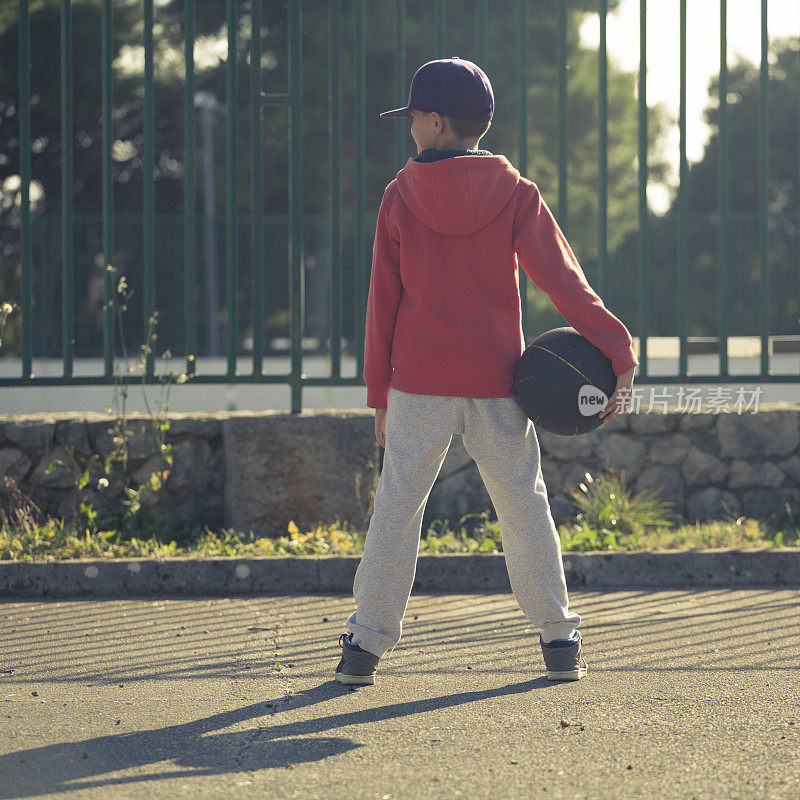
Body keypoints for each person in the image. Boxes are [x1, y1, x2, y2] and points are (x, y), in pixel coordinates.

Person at [335, 57, 638, 686]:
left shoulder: (399, 195)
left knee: (397, 506)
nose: (410, 129)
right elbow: (564, 283)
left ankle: (363, 648)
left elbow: (381, 305)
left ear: (437, 122)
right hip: (500, 384)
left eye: (414, 118)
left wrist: (379, 394)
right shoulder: (518, 195)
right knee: (523, 506)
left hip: (418, 382)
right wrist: (619, 349)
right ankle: (559, 639)